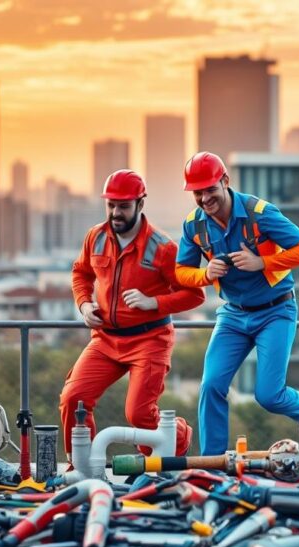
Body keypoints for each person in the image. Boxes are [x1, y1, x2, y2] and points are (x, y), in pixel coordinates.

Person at [174, 152, 299, 456]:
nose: (203, 199)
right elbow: (180, 273)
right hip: (232, 316)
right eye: (197, 193)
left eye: (209, 189)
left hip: (276, 311)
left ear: (225, 181)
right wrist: (205, 273)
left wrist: (262, 262)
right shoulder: (194, 226)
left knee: (268, 395)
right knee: (211, 385)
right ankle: (212, 462)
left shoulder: (260, 213)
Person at [62, 169, 203, 462]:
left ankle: (178, 437)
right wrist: (84, 305)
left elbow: (195, 295)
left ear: (140, 204)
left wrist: (153, 302)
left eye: (123, 206)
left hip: (150, 340)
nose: (115, 212)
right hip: (105, 340)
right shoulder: (95, 237)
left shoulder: (163, 248)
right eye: (111, 204)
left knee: (139, 413)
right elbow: (81, 273)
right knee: (73, 400)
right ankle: (82, 465)